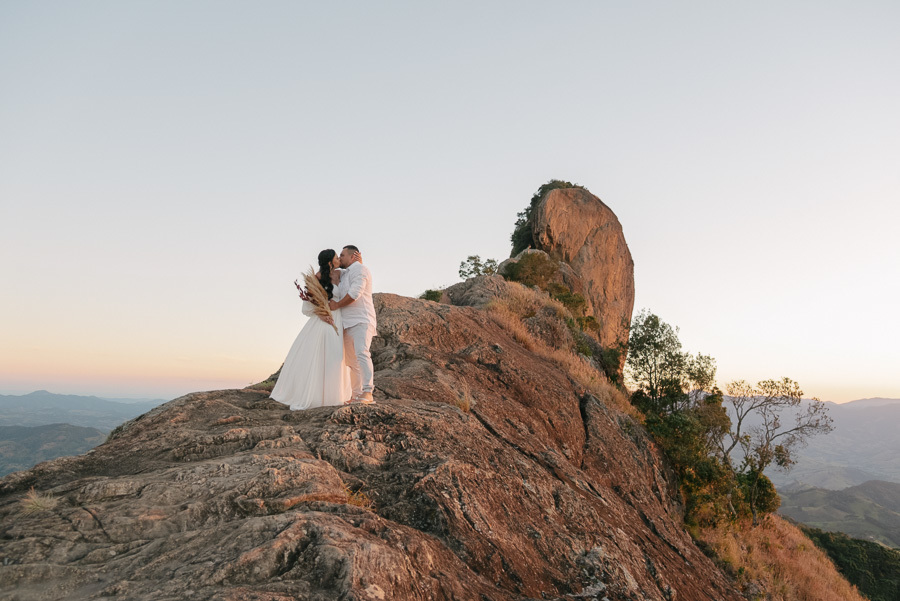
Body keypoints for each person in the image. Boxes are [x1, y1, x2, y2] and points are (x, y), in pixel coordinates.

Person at [270, 249, 352, 409]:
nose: (338, 259)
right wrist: (322, 315)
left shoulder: (340, 274)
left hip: (338, 318)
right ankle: (316, 395)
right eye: (336, 257)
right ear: (330, 261)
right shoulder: (316, 278)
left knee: (336, 355)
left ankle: (334, 393)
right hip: (324, 321)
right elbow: (308, 305)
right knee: (323, 354)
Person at [329, 245, 377, 404]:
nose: (340, 258)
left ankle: (368, 392)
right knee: (351, 361)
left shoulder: (360, 270)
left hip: (362, 320)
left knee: (362, 352)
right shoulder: (344, 273)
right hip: (347, 323)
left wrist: (337, 305)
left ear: (353, 256)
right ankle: (356, 394)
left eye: (342, 255)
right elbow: (326, 273)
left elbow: (355, 294)